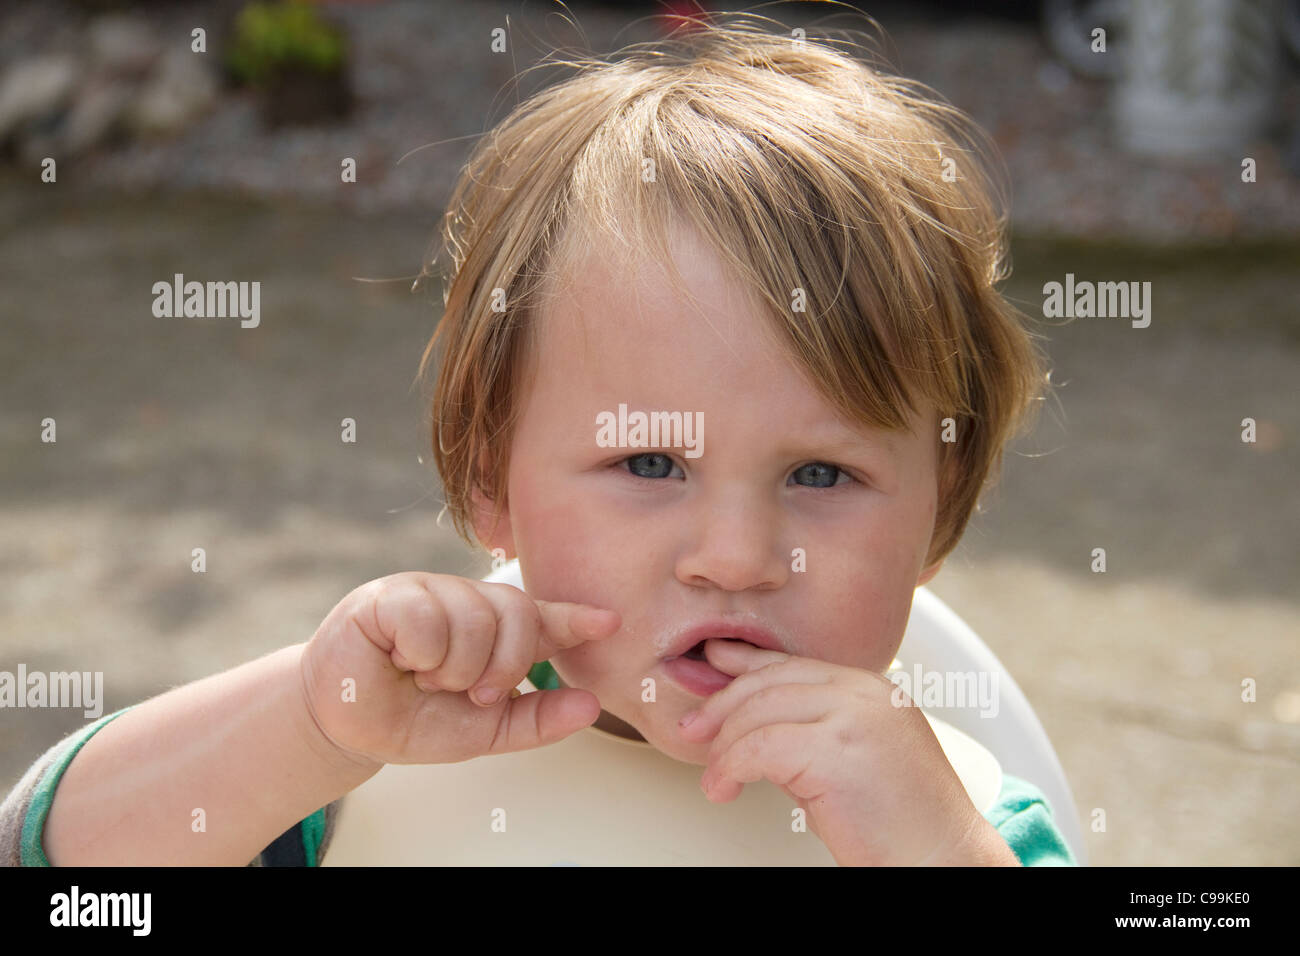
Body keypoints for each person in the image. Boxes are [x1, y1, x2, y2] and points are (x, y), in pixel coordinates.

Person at [1, 13, 1075, 866]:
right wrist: (309, 725)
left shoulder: (966, 814)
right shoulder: (361, 771)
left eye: (822, 472)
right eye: (649, 462)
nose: (739, 555)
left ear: (945, 502)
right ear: (488, 479)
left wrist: (935, 848)